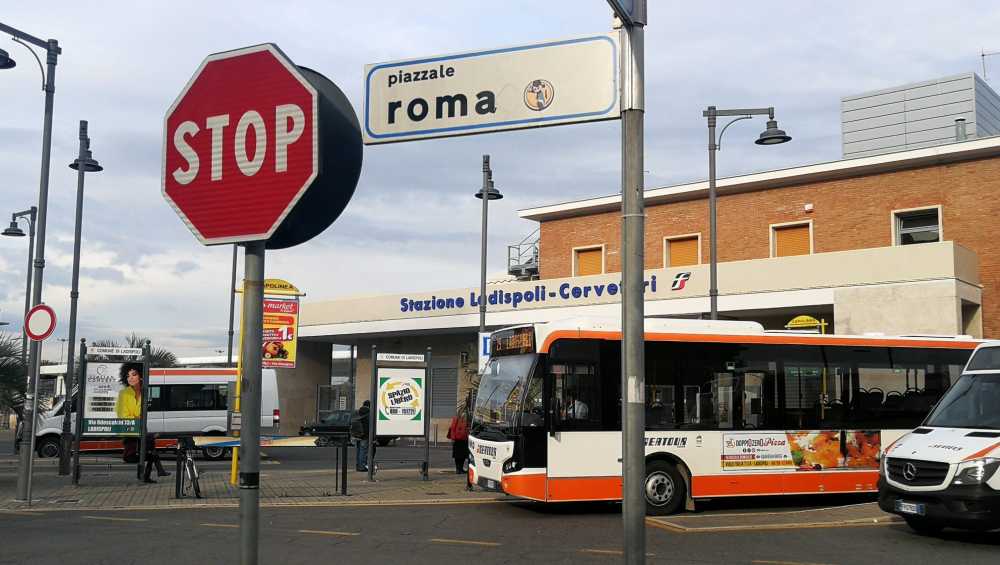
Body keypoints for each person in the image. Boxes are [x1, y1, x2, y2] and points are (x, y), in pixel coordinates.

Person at [116, 364, 143, 463]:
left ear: (141, 375)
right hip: (130, 427)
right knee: (131, 442)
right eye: (128, 376)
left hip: (139, 426)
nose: (130, 378)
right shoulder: (124, 393)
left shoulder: (144, 391)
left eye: (134, 374)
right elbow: (122, 414)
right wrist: (137, 417)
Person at [352, 400, 376, 472]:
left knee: (359, 451)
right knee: (363, 451)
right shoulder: (369, 413)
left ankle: (358, 466)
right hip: (365, 435)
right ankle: (362, 466)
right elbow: (370, 426)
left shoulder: (357, 412)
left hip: (357, 435)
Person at [447, 409, 469, 474]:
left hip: (464, 439)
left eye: (465, 412)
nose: (464, 414)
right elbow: (452, 429)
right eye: (463, 412)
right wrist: (453, 438)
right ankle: (458, 469)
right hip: (457, 440)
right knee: (457, 455)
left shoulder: (466, 420)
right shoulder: (456, 419)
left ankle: (460, 469)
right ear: (460, 413)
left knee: (463, 455)